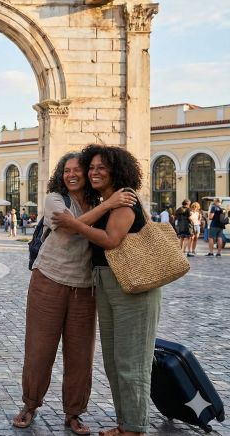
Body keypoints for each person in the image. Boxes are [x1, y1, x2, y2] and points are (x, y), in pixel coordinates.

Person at [12, 153, 135, 434]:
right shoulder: (56, 198)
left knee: (81, 354)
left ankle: (74, 413)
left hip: (85, 286)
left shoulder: (97, 201)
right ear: (60, 174)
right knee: (39, 349)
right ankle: (30, 405)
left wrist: (111, 203)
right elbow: (67, 227)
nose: (72, 175)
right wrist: (109, 205)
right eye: (66, 170)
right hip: (49, 279)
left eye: (78, 170)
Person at [52, 144, 160, 436]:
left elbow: (111, 239)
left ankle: (135, 427)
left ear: (117, 170)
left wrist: (74, 223)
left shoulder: (124, 200)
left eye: (102, 167)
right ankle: (125, 424)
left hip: (132, 283)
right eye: (92, 167)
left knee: (131, 361)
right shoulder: (108, 200)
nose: (94, 172)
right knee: (114, 361)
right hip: (107, 280)